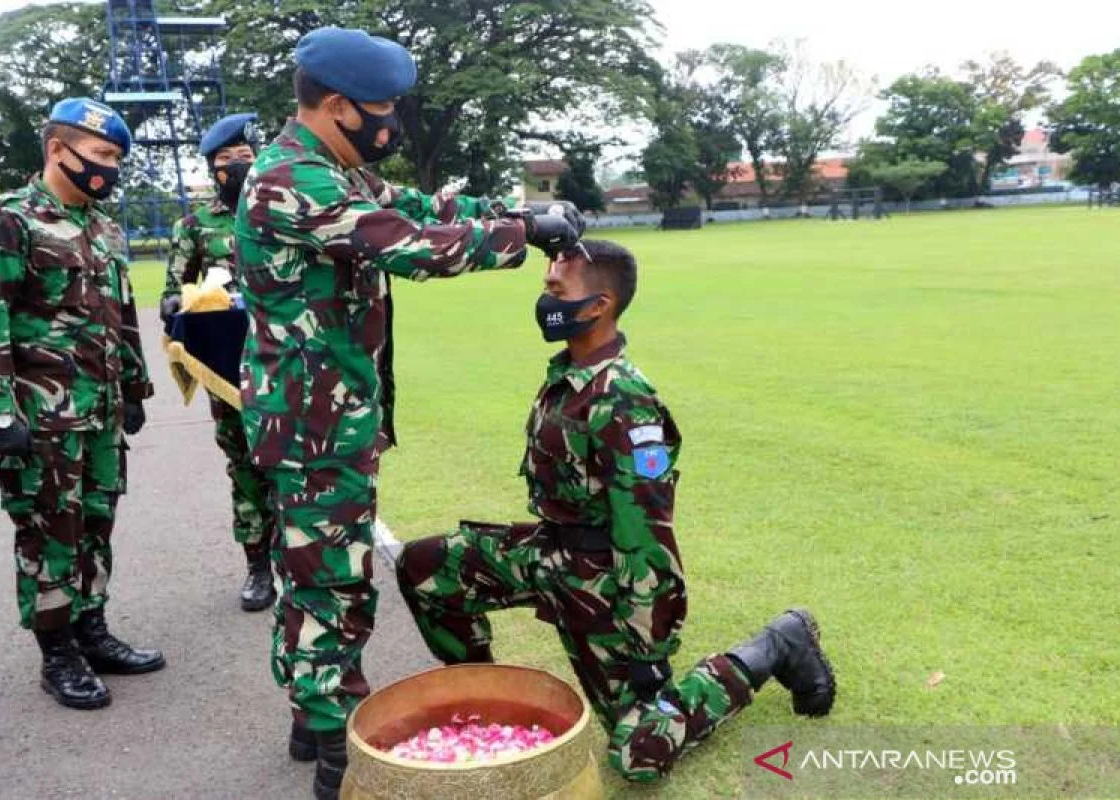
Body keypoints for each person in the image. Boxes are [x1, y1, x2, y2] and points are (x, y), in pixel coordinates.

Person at [235, 26, 582, 800]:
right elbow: (412, 242)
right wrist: (522, 237)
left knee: (318, 573)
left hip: (330, 414)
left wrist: (521, 209)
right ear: (334, 106)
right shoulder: (292, 181)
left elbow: (422, 203)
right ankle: (335, 752)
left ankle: (310, 716)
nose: (391, 124)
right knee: (332, 586)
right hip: (312, 424)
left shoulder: (336, 169)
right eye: (380, 109)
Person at [396, 239, 836, 783]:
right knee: (424, 569)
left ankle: (775, 645)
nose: (546, 298)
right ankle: (486, 697)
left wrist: (647, 642)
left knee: (638, 753)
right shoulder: (568, 374)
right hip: (549, 550)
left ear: (600, 304)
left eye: (557, 290)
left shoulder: (623, 399)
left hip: (598, 580)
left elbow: (646, 534)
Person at [0, 98, 165, 711]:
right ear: (58, 150)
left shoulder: (103, 226)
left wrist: (134, 387)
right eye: (101, 155)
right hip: (40, 415)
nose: (110, 168)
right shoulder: (6, 220)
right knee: (51, 531)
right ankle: (56, 652)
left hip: (98, 411)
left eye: (116, 159)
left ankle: (91, 629)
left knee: (96, 523)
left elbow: (121, 315)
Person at [161, 111, 277, 612]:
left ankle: (302, 562)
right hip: (228, 368)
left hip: (289, 360)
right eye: (226, 161)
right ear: (213, 169)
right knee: (246, 467)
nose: (237, 167)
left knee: (294, 464)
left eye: (245, 158)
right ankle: (257, 567)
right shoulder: (194, 225)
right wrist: (188, 302)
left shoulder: (280, 211)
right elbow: (172, 291)